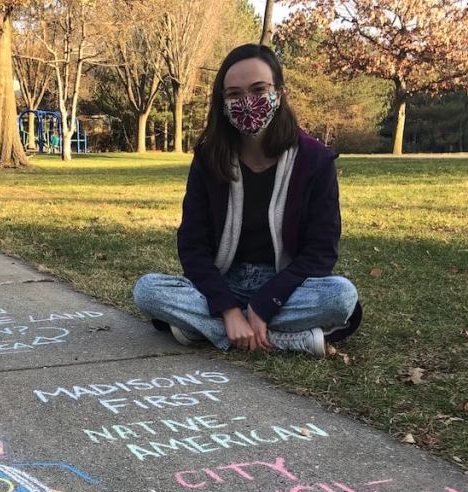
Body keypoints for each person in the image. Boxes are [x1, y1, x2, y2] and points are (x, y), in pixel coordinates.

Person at [133, 44, 362, 357]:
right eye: (234, 94)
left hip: (286, 285)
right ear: (222, 101)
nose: (247, 102)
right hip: (223, 281)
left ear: (279, 93)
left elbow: (321, 251)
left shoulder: (315, 160)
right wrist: (228, 309)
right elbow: (192, 245)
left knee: (341, 296)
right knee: (147, 290)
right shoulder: (209, 158)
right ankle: (283, 339)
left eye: (258, 89)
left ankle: (202, 329)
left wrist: (265, 305)